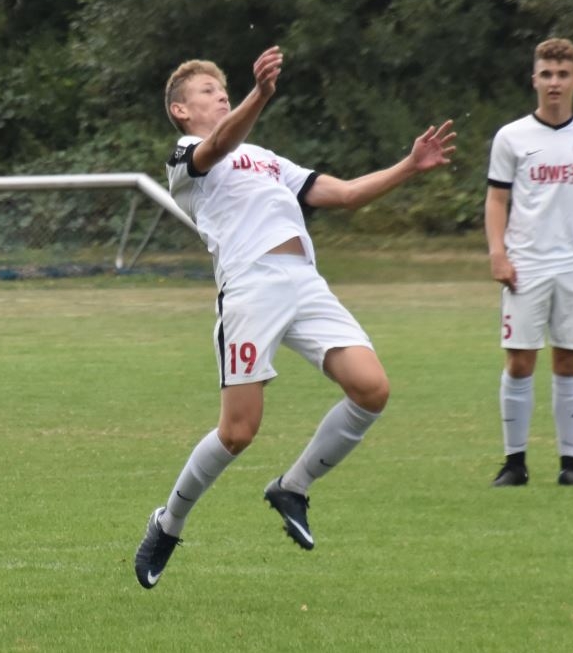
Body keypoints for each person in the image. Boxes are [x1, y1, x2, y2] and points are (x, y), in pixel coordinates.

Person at [134, 45, 456, 589]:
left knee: (371, 390)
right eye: (209, 91)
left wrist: (409, 166)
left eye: (225, 90)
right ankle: (169, 523)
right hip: (250, 286)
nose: (222, 95)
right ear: (180, 110)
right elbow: (219, 144)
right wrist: (260, 94)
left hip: (305, 282)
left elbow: (345, 194)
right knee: (238, 432)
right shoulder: (186, 157)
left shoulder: (266, 157)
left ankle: (293, 487)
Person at [485, 37, 573, 488]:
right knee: (520, 362)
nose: (554, 83)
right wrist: (497, 252)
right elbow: (496, 199)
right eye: (546, 74)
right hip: (525, 263)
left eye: (563, 75)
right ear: (534, 80)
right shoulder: (511, 136)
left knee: (569, 361)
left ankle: (571, 464)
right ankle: (514, 463)